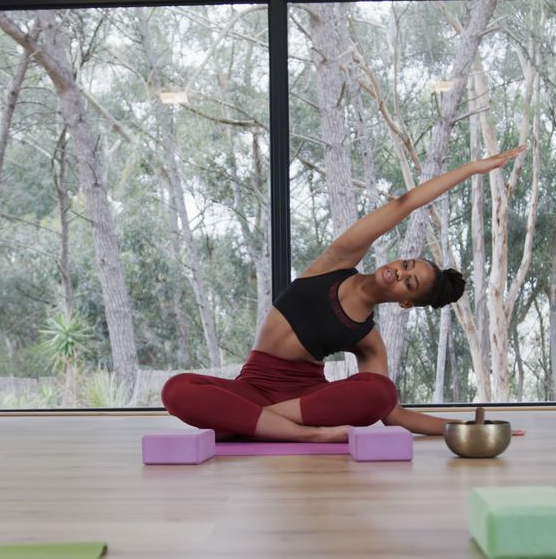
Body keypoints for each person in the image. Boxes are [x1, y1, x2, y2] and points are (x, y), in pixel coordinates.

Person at [162, 145, 526, 442]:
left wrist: (463, 427)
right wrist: (471, 168)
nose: (400, 272)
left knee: (380, 391)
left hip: (304, 402)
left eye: (408, 283)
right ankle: (293, 432)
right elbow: (405, 204)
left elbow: (391, 414)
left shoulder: (367, 339)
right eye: (408, 264)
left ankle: (256, 424)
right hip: (252, 389)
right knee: (176, 390)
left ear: (405, 301)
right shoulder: (337, 261)